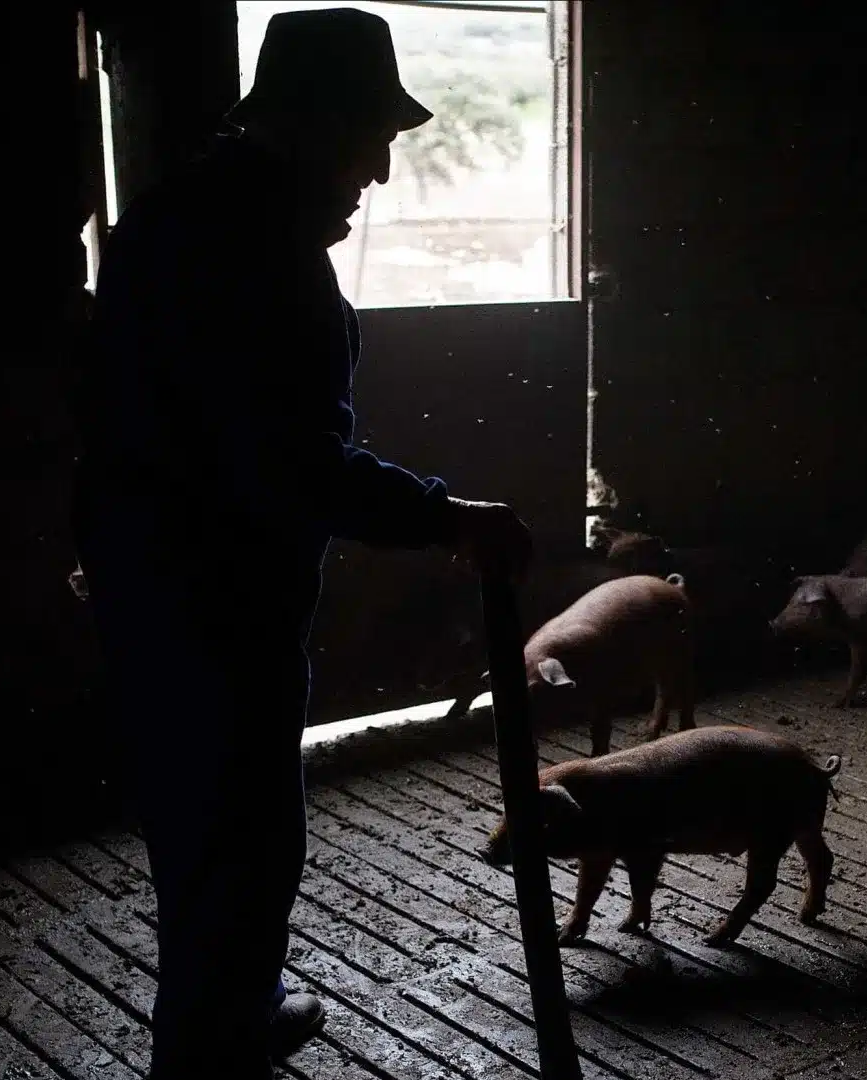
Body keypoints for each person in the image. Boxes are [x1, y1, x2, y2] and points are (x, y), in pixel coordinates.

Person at [70, 9, 531, 1078]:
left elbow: (116, 408)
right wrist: (444, 516)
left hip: (161, 574)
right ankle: (210, 1049)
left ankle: (236, 1004)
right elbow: (287, 463)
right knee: (235, 833)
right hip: (213, 593)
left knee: (212, 828)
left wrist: (104, 536)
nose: (379, 166)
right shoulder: (254, 252)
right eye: (374, 135)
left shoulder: (184, 214)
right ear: (321, 123)